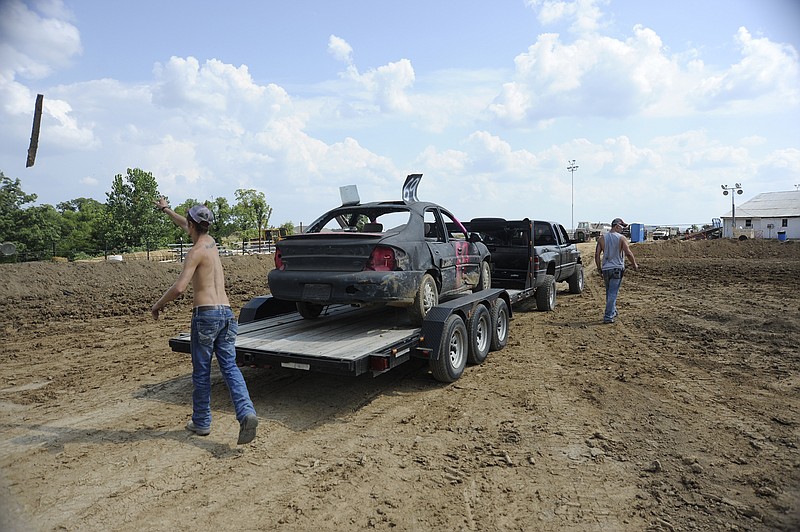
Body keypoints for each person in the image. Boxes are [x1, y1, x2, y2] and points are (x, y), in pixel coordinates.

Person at [151, 198, 258, 444]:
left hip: (206, 315)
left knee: (201, 371)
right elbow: (187, 225)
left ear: (192, 225)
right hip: (227, 314)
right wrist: (167, 210)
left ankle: (201, 422)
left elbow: (179, 288)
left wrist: (158, 305)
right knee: (229, 367)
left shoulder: (195, 252)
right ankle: (246, 413)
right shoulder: (211, 244)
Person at [594, 217, 639, 324]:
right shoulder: (621, 238)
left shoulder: (602, 239)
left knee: (609, 292)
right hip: (617, 269)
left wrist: (599, 268)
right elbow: (628, 253)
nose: (623, 229)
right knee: (613, 293)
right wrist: (634, 265)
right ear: (617, 226)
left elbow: (597, 254)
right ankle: (608, 316)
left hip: (606, 269)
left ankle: (613, 310)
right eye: (622, 227)